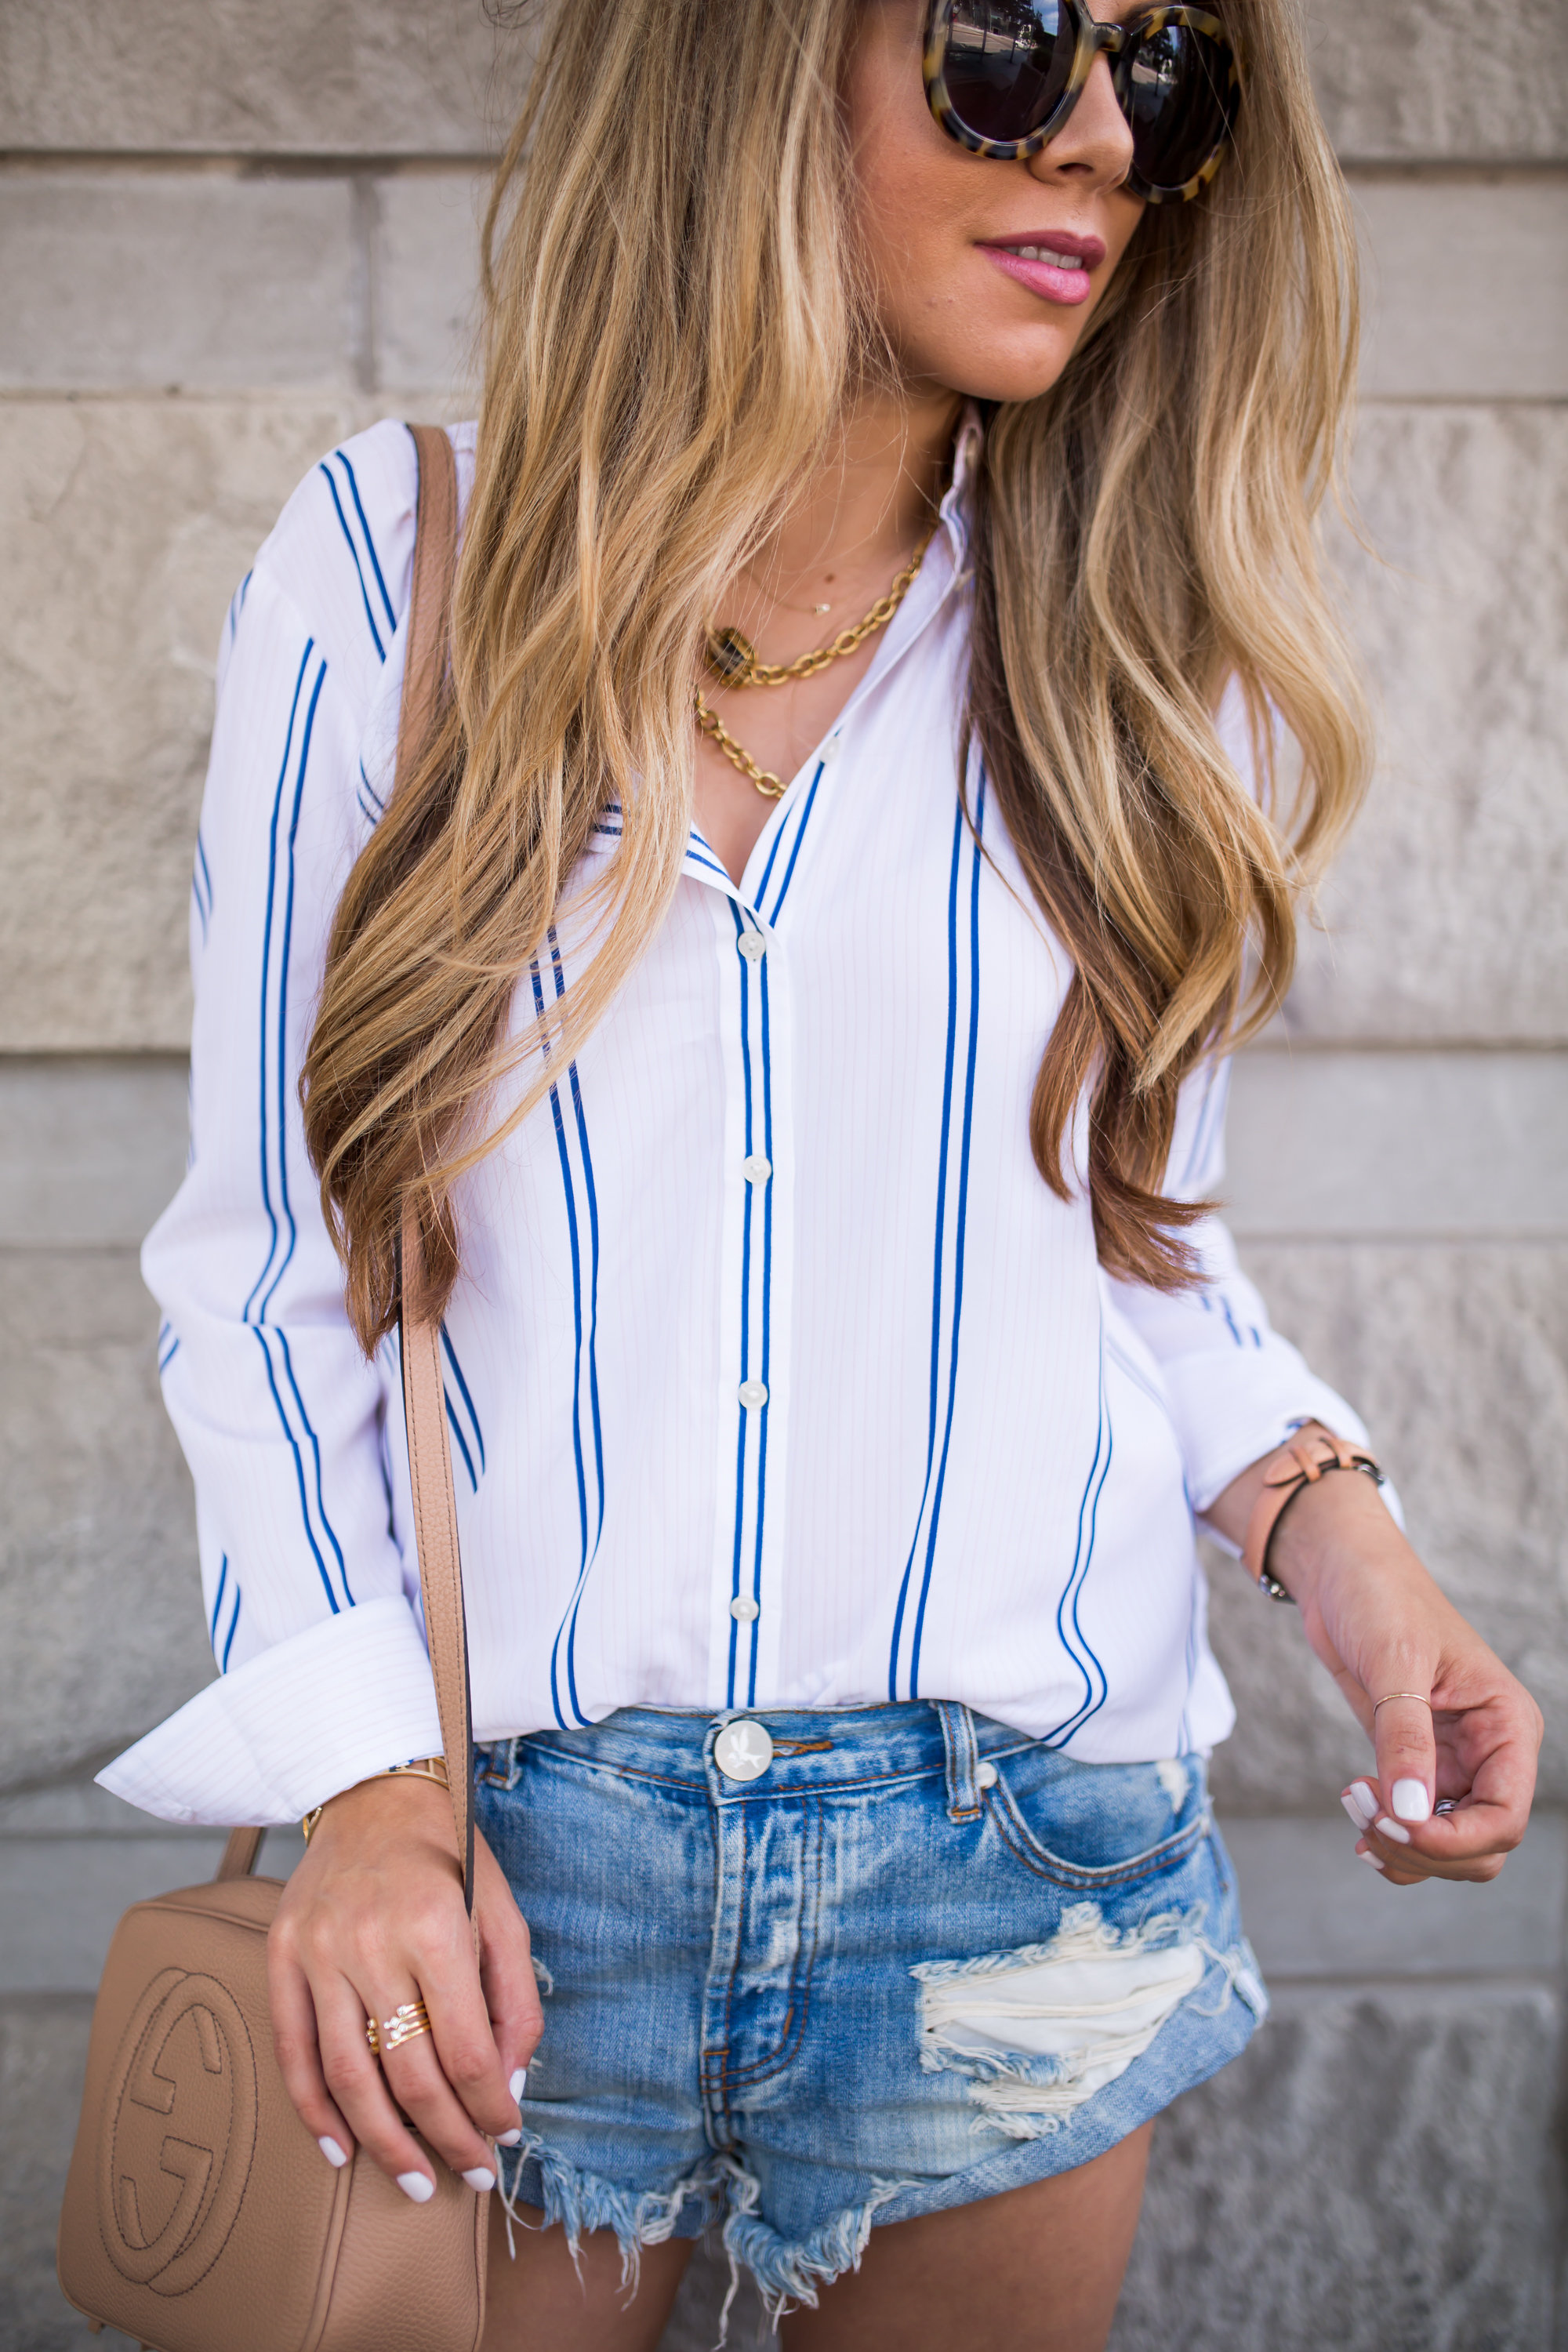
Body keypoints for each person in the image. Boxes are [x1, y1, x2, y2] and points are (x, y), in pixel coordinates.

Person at [104, 2, 1542, 2347]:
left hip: (1021, 1859)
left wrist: (1345, 1544)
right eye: (1004, 47)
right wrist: (366, 1793)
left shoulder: (1145, 656)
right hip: (508, 1868)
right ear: (757, 66)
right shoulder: (402, 568)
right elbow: (263, 1274)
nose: (1097, 137)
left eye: (1164, 76)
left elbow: (1138, 1244)